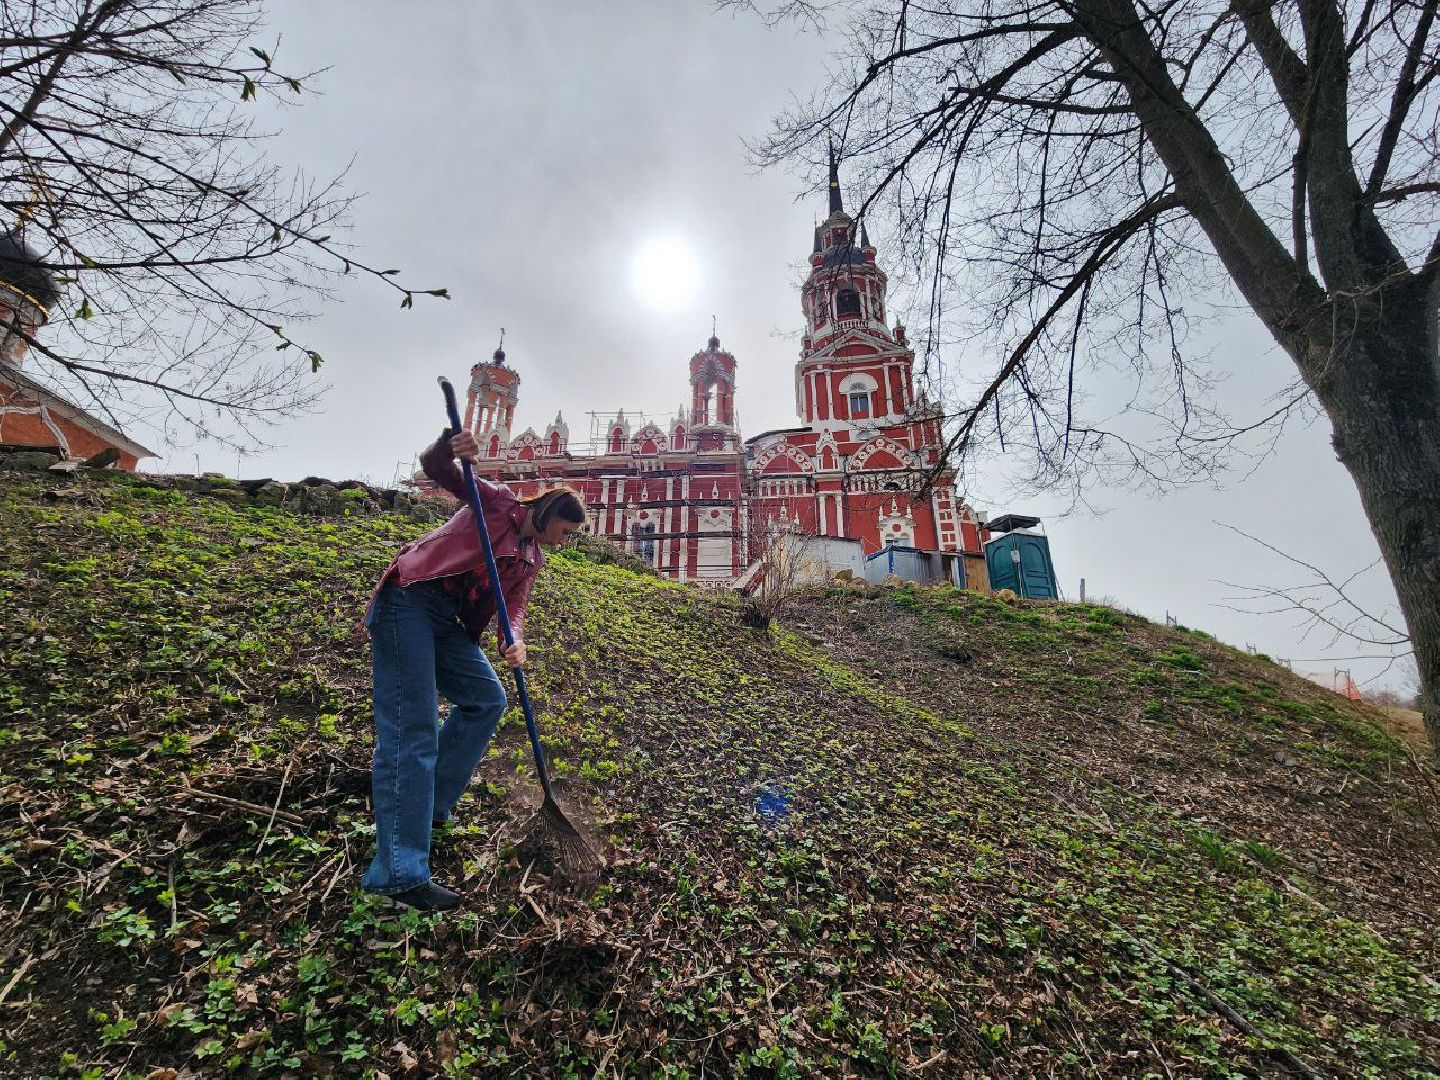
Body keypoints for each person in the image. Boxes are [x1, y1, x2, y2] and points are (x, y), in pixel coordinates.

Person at [361, 428, 586, 910]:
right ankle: (397, 876)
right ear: (549, 515)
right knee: (412, 730)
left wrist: (515, 638)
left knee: (488, 699)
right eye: (565, 532)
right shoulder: (498, 503)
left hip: (447, 623)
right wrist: (449, 444)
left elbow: (515, 608)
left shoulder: (531, 558)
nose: (564, 543)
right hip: (409, 600)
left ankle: (430, 805)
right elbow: (440, 469)